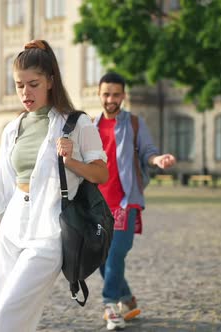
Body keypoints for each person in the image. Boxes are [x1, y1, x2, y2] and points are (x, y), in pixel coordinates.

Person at [0, 39, 108, 332]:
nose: (25, 92)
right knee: (11, 314)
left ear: (50, 80)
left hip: (49, 234)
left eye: (33, 84)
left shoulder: (76, 123)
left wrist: (71, 160)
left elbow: (101, 174)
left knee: (4, 319)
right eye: (19, 85)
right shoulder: (13, 128)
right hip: (11, 231)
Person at [93, 72, 176, 330]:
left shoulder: (134, 124)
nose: (111, 99)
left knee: (116, 253)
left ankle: (110, 304)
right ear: (99, 95)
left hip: (125, 203)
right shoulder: (89, 127)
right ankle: (127, 298)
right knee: (99, 257)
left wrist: (157, 160)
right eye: (106, 94)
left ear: (123, 96)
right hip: (96, 204)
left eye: (116, 94)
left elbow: (149, 152)